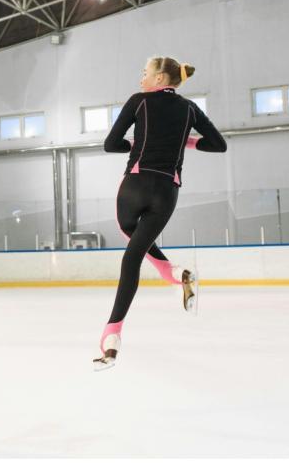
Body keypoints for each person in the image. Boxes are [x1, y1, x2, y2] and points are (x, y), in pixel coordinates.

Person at [93, 56, 227, 371]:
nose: (141, 78)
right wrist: (187, 142)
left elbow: (111, 144)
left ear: (159, 78)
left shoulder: (138, 101)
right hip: (167, 190)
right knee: (135, 251)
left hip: (136, 184)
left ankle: (115, 333)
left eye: (145, 73)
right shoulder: (190, 108)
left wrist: (136, 144)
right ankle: (173, 277)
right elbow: (218, 144)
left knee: (130, 238)